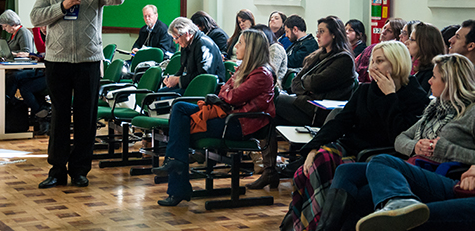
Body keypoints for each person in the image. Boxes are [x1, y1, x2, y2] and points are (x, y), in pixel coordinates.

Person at [280, 41, 430, 231]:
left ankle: (316, 226)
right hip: (351, 147)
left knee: (322, 163)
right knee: (313, 163)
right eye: (373, 61)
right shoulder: (365, 89)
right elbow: (340, 122)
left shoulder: (415, 96)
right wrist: (312, 147)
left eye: (380, 61)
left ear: (397, 64)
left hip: (379, 154)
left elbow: (399, 136)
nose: (373, 67)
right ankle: (310, 225)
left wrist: (390, 97)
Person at [316, 53, 475, 231]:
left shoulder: (470, 113)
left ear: (450, 82)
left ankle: (399, 201)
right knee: (346, 170)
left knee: (376, 170)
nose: (429, 81)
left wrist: (445, 149)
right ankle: (325, 228)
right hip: (418, 167)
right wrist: (415, 146)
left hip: (440, 173)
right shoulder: (434, 108)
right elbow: (401, 138)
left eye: (434, 77)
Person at [31, 0, 125, 188]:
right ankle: (57, 170)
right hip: (57, 61)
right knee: (59, 116)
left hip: (89, 61)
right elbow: (36, 16)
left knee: (87, 117)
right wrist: (63, 5)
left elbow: (116, 0)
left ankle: (80, 170)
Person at [152, 29, 276, 206]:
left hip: (239, 124)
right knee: (179, 107)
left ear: (251, 49)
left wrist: (226, 94)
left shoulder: (262, 74)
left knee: (181, 129)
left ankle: (177, 180)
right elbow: (224, 90)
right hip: (229, 116)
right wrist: (226, 94)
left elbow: (232, 96)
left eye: (240, 43)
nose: (236, 46)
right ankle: (175, 164)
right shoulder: (244, 69)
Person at [249, 16, 356, 191]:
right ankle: (270, 171)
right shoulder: (318, 56)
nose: (318, 35)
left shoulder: (343, 60)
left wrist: (307, 85)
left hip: (322, 112)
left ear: (334, 35)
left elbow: (316, 83)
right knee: (268, 117)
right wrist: (307, 86)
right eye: (318, 30)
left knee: (273, 99)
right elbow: (296, 82)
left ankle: (278, 167)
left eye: (322, 31)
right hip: (305, 104)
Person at [161, 17, 225, 95]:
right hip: (192, 83)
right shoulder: (186, 43)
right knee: (159, 93)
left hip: (206, 89)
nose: (176, 42)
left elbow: (203, 76)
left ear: (187, 33)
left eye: (176, 38)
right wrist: (172, 78)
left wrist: (178, 80)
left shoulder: (203, 45)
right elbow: (183, 67)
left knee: (164, 97)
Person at [355, 18, 407, 83]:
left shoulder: (398, 55)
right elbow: (355, 63)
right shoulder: (372, 48)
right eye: (384, 28)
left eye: (389, 31)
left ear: (398, 35)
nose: (383, 32)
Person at [406, 22, 444, 92]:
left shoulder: (431, 72)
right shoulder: (411, 64)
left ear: (424, 44)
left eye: (411, 40)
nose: (407, 42)